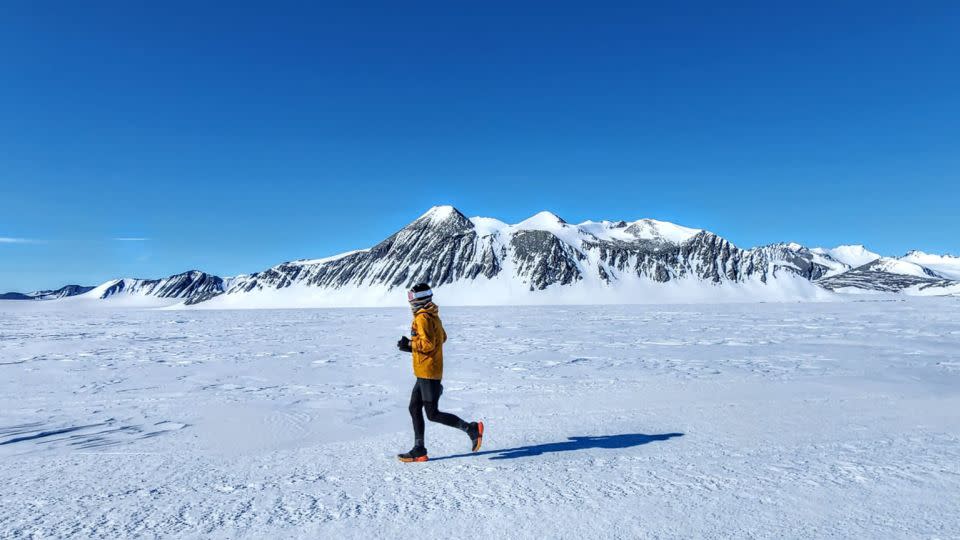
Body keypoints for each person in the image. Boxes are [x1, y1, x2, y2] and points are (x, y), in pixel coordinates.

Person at [396, 283, 483, 462]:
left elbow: (428, 344)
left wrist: (410, 345)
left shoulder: (422, 318)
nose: (409, 301)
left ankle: (471, 428)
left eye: (412, 297)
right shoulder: (432, 314)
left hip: (428, 372)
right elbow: (441, 338)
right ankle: (419, 449)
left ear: (420, 299)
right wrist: (412, 348)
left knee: (432, 413)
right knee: (414, 408)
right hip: (425, 371)